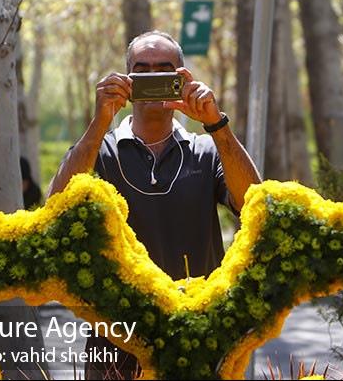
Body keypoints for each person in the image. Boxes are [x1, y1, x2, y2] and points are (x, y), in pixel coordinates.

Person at [47, 30, 261, 380]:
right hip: (116, 338)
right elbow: (56, 208)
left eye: (163, 70)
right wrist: (100, 121)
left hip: (197, 332)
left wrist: (216, 124)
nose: (152, 79)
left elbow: (255, 203)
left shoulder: (207, 151)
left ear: (181, 78)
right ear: (126, 80)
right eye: (141, 71)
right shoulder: (99, 151)